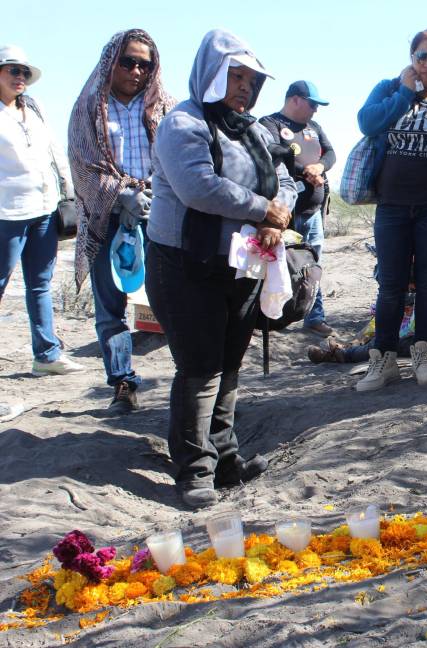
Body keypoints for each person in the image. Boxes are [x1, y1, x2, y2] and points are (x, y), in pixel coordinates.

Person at [145, 29, 297, 509]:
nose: (245, 88)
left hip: (240, 263)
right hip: (185, 264)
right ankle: (194, 469)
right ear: (212, 74)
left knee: (229, 362)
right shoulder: (182, 123)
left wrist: (276, 217)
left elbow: (285, 181)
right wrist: (262, 209)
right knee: (200, 366)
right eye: (236, 77)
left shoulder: (252, 130)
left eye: (253, 80)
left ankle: (225, 459)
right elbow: (198, 187)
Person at [354, 28, 427, 392]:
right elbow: (368, 122)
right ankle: (384, 360)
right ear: (411, 57)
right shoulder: (389, 89)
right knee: (390, 284)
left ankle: (422, 354)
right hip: (392, 205)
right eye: (421, 56)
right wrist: (405, 93)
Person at [69, 29, 175, 415]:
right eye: (128, 62)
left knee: (171, 296)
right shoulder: (88, 108)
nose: (136, 71)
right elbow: (82, 164)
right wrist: (120, 194)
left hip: (158, 211)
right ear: (111, 62)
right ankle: (123, 382)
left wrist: (155, 192)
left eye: (144, 64)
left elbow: (180, 155)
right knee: (110, 304)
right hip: (107, 216)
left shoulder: (165, 107)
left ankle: (191, 378)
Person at [0, 45, 85, 377]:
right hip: (7, 212)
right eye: (13, 70)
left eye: (24, 72)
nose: (20, 77)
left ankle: (47, 356)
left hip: (44, 209)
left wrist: (68, 192)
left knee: (40, 284)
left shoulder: (34, 108)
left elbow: (53, 151)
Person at [259, 80, 335, 336]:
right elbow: (272, 157)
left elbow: (330, 153)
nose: (315, 110)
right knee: (276, 264)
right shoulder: (269, 124)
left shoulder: (314, 127)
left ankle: (314, 317)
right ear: (295, 100)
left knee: (313, 266)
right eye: (312, 104)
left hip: (314, 212)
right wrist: (305, 171)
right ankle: (265, 317)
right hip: (284, 213)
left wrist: (319, 167)